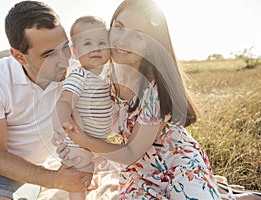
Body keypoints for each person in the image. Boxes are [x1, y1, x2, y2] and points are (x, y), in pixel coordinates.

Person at [54, 0, 227, 199]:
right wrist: (74, 147)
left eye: (137, 35)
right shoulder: (102, 76)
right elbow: (79, 111)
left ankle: (215, 189)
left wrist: (83, 140)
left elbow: (131, 152)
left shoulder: (155, 89)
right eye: (119, 27)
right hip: (138, 170)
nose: (121, 40)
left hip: (176, 160)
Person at [0, 1, 92, 199]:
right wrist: (57, 179)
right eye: (48, 54)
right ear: (19, 56)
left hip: (28, 169)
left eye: (65, 47)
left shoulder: (78, 78)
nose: (64, 61)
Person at [52, 15, 112, 200]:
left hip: (95, 141)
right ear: (75, 51)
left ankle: (88, 181)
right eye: (87, 43)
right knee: (79, 174)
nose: (96, 48)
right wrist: (65, 122)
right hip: (78, 142)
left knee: (93, 164)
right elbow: (64, 100)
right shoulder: (80, 75)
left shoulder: (105, 75)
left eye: (102, 42)